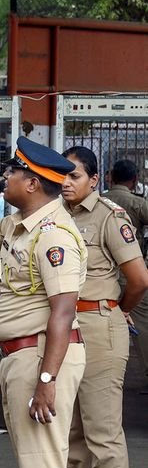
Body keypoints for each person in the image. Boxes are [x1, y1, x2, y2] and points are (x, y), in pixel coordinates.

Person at [0, 137, 87, 468]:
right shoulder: (17, 226)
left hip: (43, 357)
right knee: (36, 465)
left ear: (31, 183)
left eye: (13, 172)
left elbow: (62, 313)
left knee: (43, 466)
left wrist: (46, 381)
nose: (5, 178)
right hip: (23, 355)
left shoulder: (54, 235)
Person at [61, 146, 148, 468]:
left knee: (103, 433)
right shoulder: (55, 215)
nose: (66, 182)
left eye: (74, 175)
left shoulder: (110, 217)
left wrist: (116, 310)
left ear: (95, 180)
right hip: (65, 328)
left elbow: (139, 279)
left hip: (99, 324)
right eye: (62, 175)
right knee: (73, 432)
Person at [102, 159, 148, 380]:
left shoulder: (99, 202)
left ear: (110, 177)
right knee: (143, 325)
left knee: (99, 322)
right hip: (132, 273)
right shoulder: (138, 203)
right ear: (135, 180)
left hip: (103, 275)